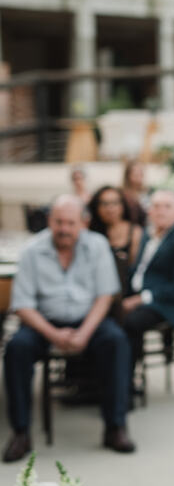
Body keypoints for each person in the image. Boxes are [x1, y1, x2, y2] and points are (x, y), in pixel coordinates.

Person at [3, 195, 135, 462]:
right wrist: (54, 335)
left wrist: (84, 333)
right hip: (44, 322)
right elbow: (22, 305)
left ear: (83, 223)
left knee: (116, 341)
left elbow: (105, 296)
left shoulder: (97, 245)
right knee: (16, 348)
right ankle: (20, 432)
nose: (64, 229)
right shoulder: (31, 250)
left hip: (88, 320)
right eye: (58, 222)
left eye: (70, 223)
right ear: (50, 221)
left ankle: (115, 427)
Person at [120, 190, 174, 374]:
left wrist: (142, 298)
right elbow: (139, 271)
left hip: (165, 304)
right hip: (137, 296)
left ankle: (127, 384)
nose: (160, 211)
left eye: (167, 207)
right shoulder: (148, 236)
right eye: (156, 206)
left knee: (130, 322)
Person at [88, 186, 143, 321]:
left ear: (122, 205)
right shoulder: (91, 234)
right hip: (97, 293)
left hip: (127, 293)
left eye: (115, 203)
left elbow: (136, 269)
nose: (110, 208)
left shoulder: (135, 232)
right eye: (104, 204)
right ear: (97, 207)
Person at [121, 159, 148, 228]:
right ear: (128, 175)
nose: (139, 175)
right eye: (136, 173)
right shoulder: (122, 194)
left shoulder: (147, 192)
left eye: (141, 172)